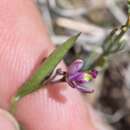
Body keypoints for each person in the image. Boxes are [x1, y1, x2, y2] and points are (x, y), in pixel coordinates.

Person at [0, 0, 105, 130]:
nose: (86, 77)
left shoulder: (67, 78)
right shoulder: (66, 76)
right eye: (85, 76)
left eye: (85, 77)